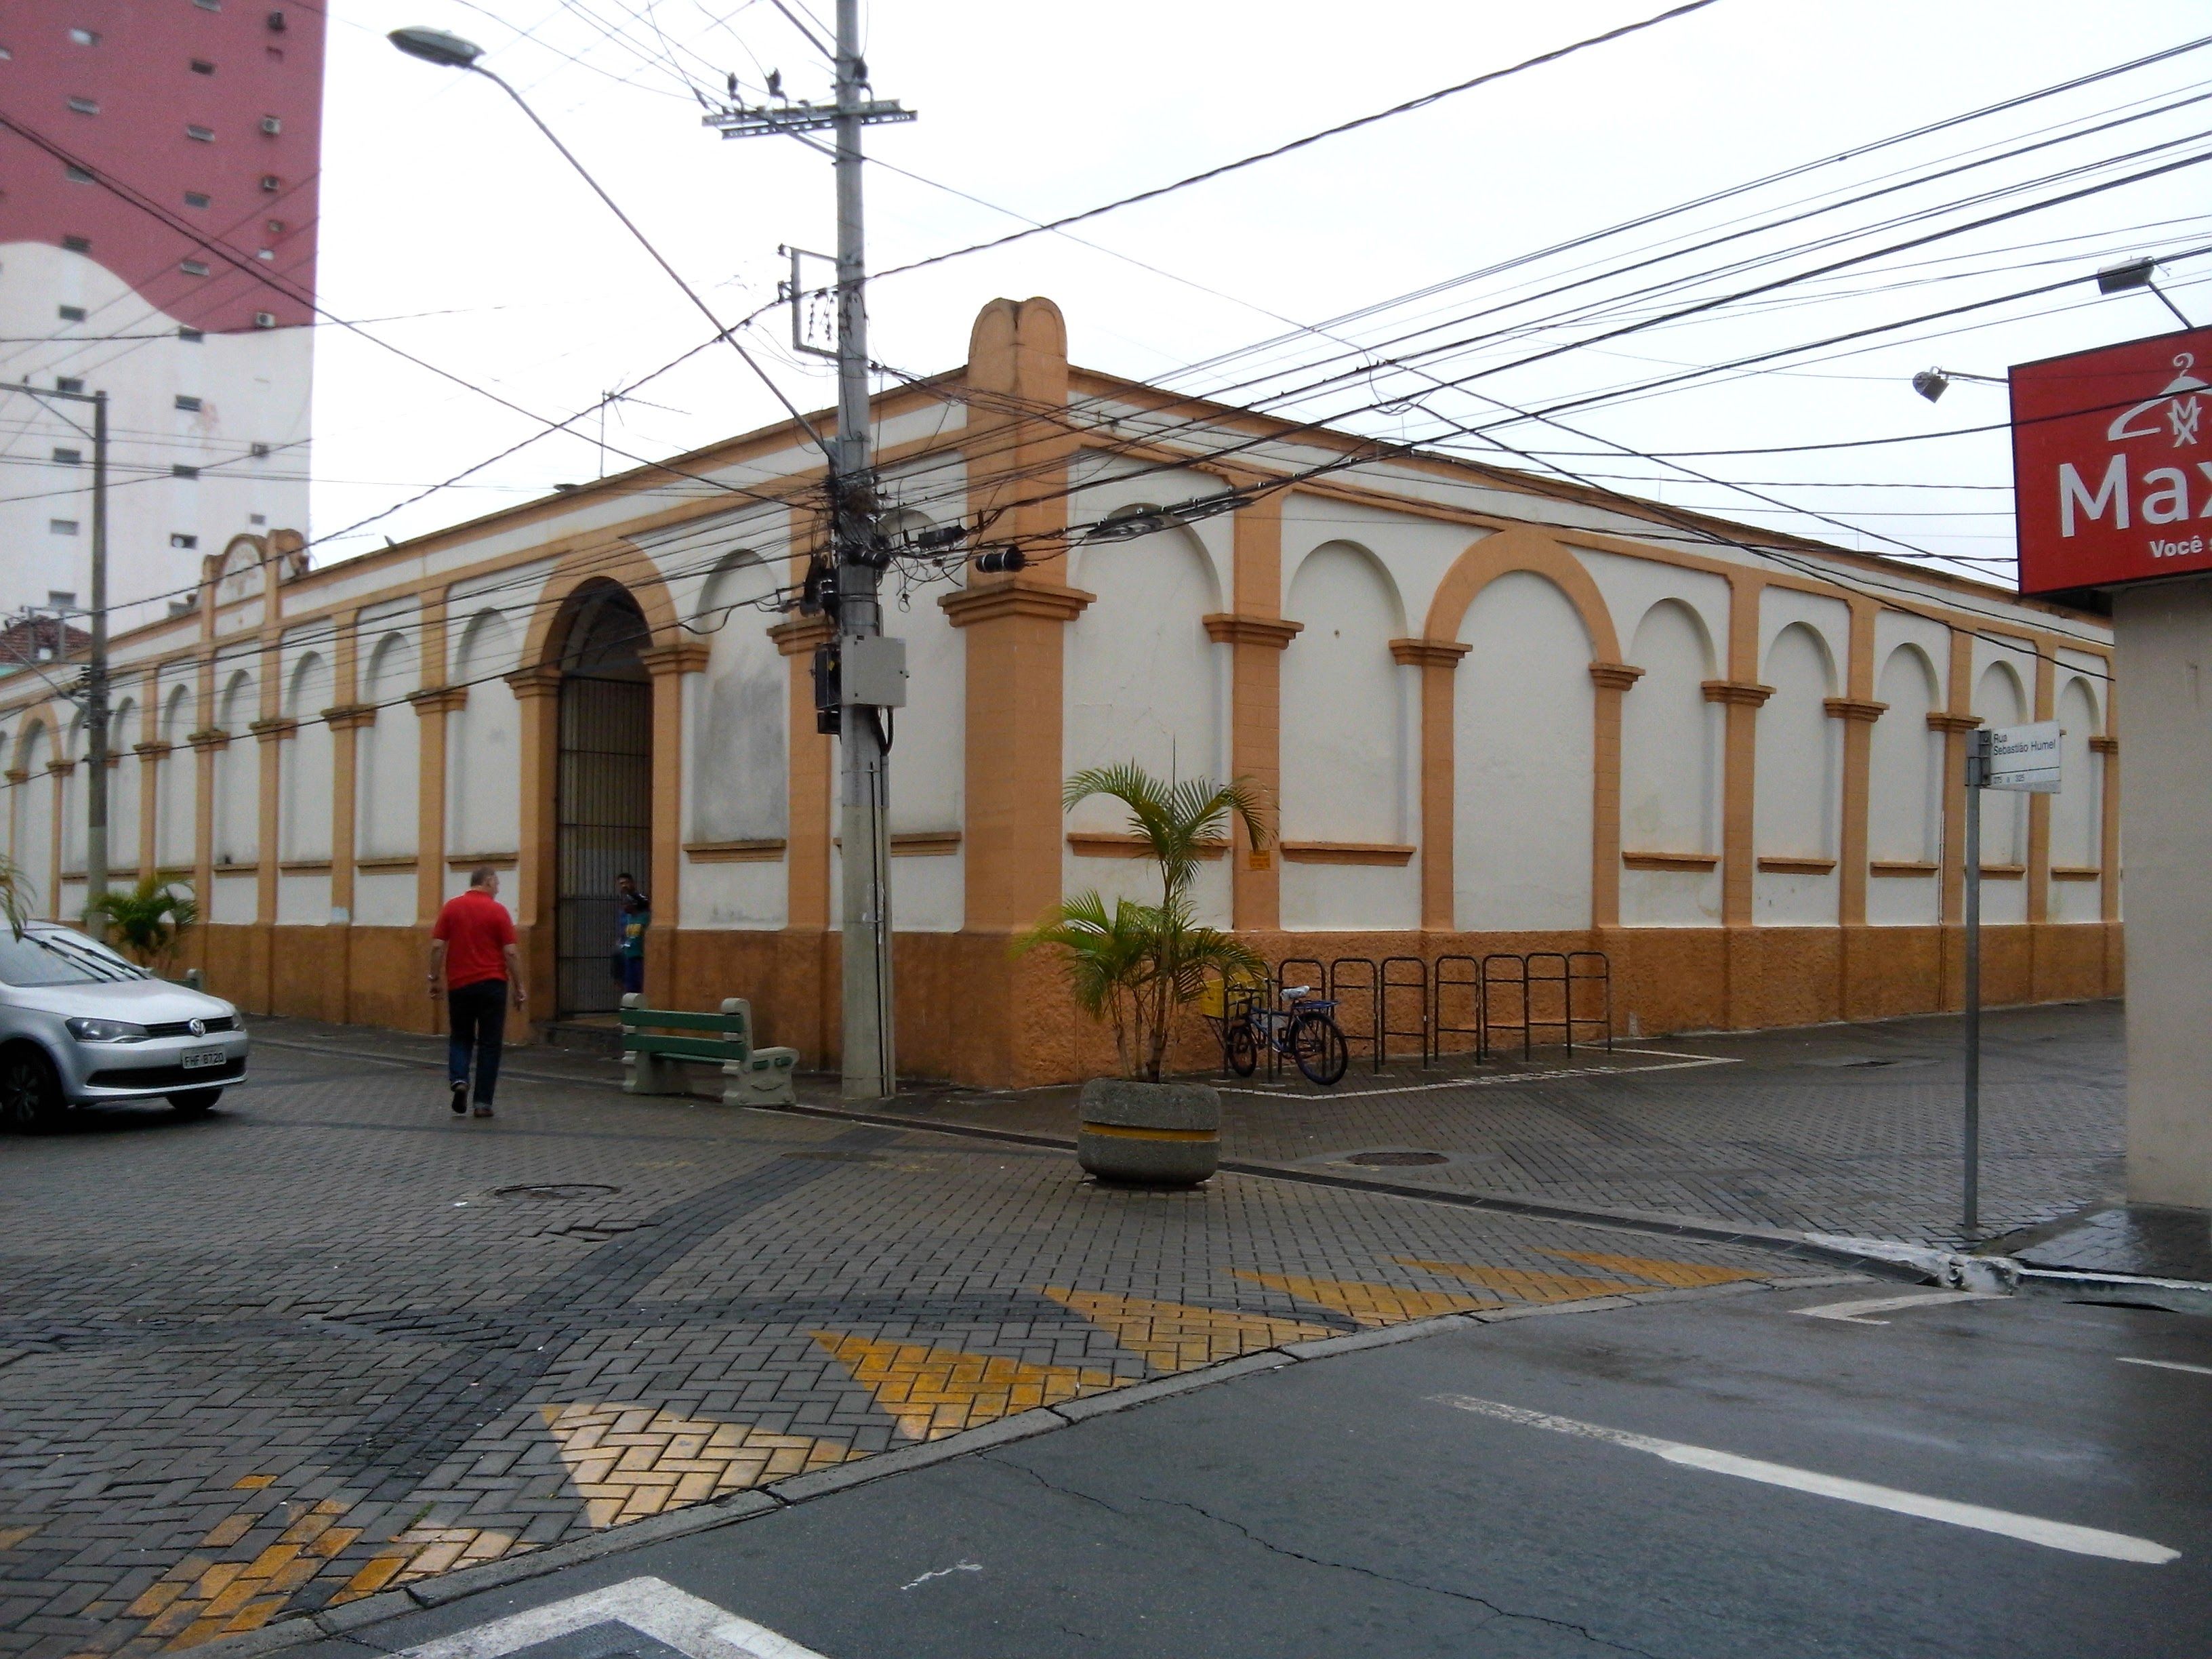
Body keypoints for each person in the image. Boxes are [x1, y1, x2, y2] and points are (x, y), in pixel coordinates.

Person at [428, 867, 526, 1118]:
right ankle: (483, 1102)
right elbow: (511, 953)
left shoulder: (451, 907)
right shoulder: (498, 911)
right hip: (493, 985)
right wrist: (519, 987)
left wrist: (435, 978)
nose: (498, 889)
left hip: (460, 985)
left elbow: (437, 947)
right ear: (488, 881)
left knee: (461, 1036)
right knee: (490, 1043)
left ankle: (460, 1078)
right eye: (497, 883)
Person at [611, 872, 649, 998]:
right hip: (626, 939)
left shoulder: (640, 900)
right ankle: (621, 984)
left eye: (626, 883)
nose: (624, 886)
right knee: (617, 955)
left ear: (632, 883)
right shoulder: (624, 905)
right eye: (621, 884)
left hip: (636, 943)